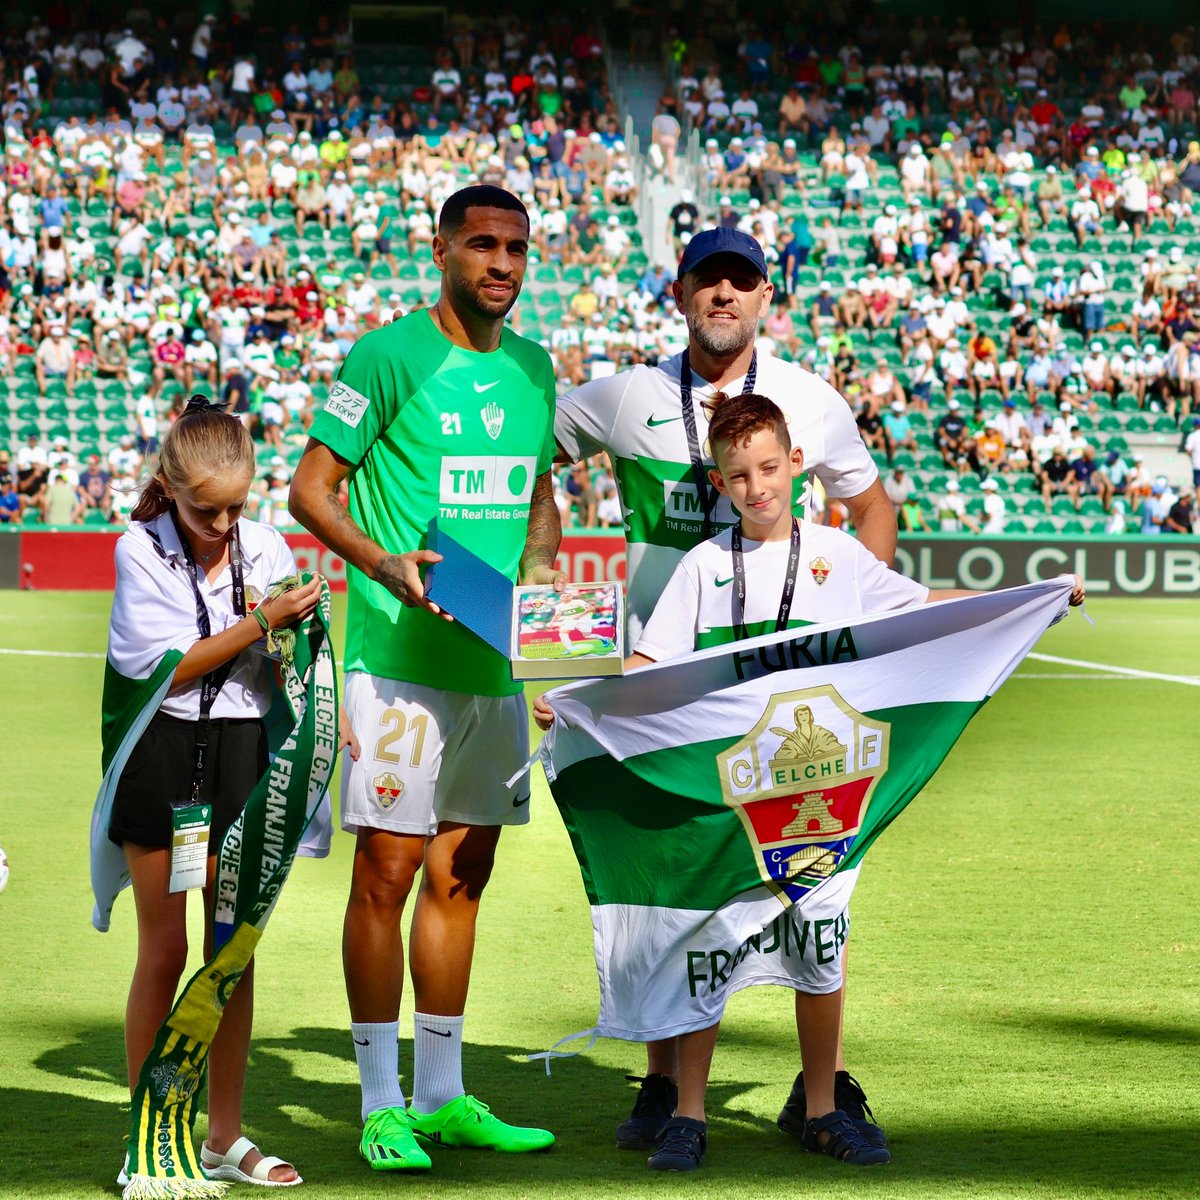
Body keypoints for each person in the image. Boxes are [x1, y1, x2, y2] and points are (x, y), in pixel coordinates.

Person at [535, 394, 1084, 1171]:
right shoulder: (701, 567)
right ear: (720, 487)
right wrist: (574, 699)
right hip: (732, 797)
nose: (757, 487)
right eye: (739, 476)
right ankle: (689, 1115)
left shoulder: (841, 557)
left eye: (768, 468)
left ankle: (823, 1107)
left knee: (821, 943)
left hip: (822, 792)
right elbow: (652, 670)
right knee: (711, 938)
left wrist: (1033, 601)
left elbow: (924, 610)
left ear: (797, 466)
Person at [553, 227, 896, 1151]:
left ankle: (813, 1098)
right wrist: (546, 591)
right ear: (681, 292)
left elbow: (872, 508)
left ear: (763, 297)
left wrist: (853, 629)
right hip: (666, 693)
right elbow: (525, 450)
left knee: (808, 906)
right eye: (709, 281)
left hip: (790, 711)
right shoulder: (627, 396)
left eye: (741, 283)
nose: (724, 297)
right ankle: (668, 1094)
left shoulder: (810, 402)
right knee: (684, 893)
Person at [288, 186, 559, 1172]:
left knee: (462, 875)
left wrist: (539, 595)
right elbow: (310, 488)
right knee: (388, 873)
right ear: (441, 248)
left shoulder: (535, 370)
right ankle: (378, 1103)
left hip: (489, 667)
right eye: (482, 244)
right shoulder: (387, 355)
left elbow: (535, 501)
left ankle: (442, 1096)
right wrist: (381, 561)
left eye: (516, 248)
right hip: (397, 665)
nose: (501, 263)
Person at [105, 399, 324, 1188]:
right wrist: (264, 618)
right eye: (207, 509)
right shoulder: (139, 547)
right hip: (163, 756)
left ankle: (225, 1136)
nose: (226, 523)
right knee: (164, 952)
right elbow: (172, 665)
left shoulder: (263, 542)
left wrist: (313, 678)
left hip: (241, 753)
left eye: (238, 504)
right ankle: (150, 1136)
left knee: (230, 953)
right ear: (169, 486)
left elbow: (287, 658)